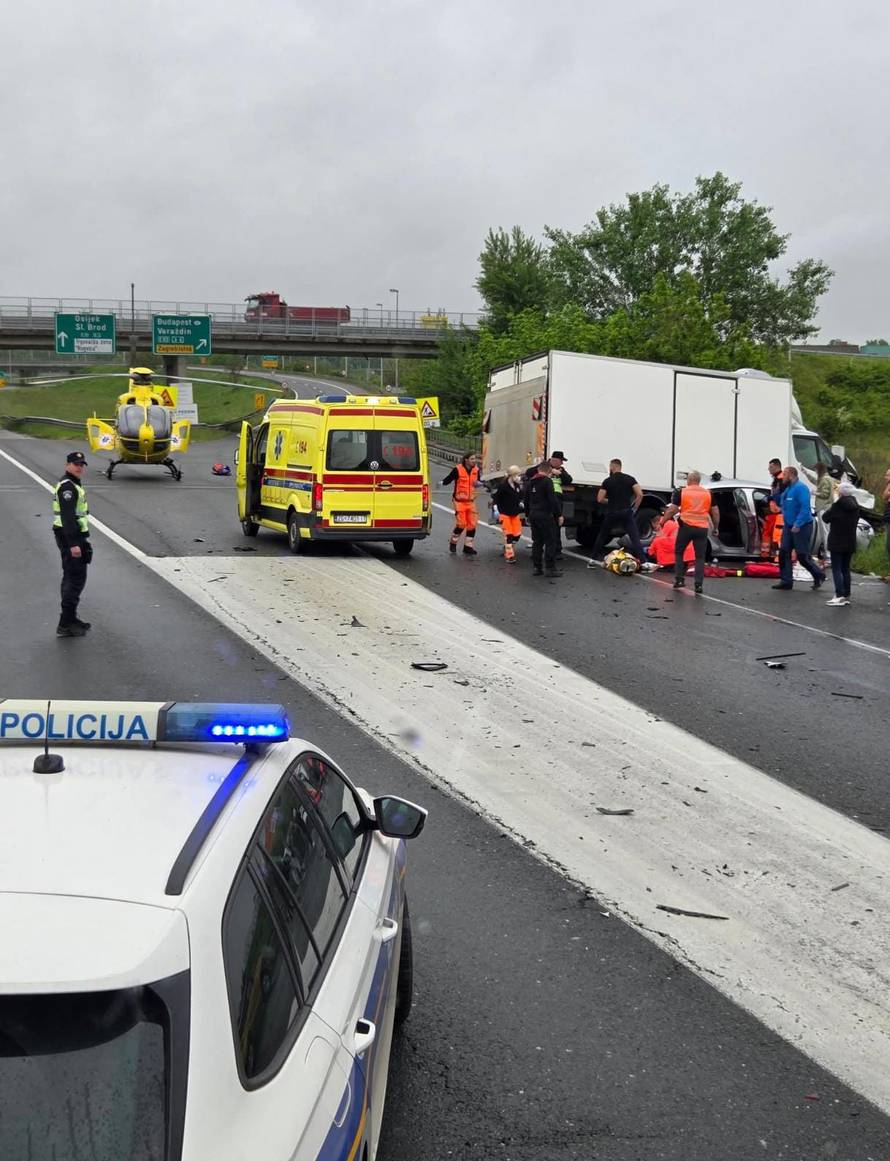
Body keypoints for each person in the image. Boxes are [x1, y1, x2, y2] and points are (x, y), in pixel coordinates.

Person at [53, 451, 92, 637]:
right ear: (67, 464)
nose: (79, 467)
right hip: (70, 536)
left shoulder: (73, 484)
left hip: (71, 535)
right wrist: (74, 544)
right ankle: (65, 623)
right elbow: (68, 518)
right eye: (76, 464)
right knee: (75, 579)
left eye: (82, 464)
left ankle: (70, 618)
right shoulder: (68, 487)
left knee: (71, 576)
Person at [773, 466, 826, 591]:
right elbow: (781, 504)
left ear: (791, 475)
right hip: (788, 526)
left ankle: (819, 575)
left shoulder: (801, 489)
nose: (782, 477)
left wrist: (798, 524)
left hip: (801, 526)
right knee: (783, 552)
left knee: (802, 556)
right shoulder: (788, 489)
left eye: (784, 475)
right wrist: (775, 493)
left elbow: (805, 508)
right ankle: (786, 581)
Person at [665, 471, 719, 594]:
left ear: (689, 480)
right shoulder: (708, 493)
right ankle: (698, 585)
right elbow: (715, 512)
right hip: (702, 529)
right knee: (700, 557)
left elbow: (672, 509)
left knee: (679, 552)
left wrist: (663, 521)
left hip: (686, 527)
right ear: (699, 481)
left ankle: (679, 580)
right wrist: (716, 527)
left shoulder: (682, 492)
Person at [590, 458, 645, 563]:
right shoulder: (630, 479)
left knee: (602, 535)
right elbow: (640, 494)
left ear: (612, 467)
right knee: (634, 537)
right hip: (626, 512)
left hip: (612, 512)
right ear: (620, 466)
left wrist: (610, 501)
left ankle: (592, 559)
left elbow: (600, 499)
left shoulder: (607, 481)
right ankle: (644, 562)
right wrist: (634, 508)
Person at [525, 452, 572, 556]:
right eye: (561, 461)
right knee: (542, 528)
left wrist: (560, 473)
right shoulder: (544, 467)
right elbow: (529, 472)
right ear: (554, 460)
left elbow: (569, 480)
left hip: (557, 496)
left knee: (556, 526)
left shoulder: (561, 470)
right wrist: (550, 470)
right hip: (543, 496)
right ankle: (540, 552)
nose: (562, 463)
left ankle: (557, 550)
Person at [822, 482, 860, 606]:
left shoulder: (837, 505)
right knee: (845, 568)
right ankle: (846, 593)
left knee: (837, 568)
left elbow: (825, 518)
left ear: (841, 492)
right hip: (850, 540)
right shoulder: (856, 505)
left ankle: (839, 594)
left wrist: (832, 506)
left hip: (837, 540)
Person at [526, 463, 563, 577]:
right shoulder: (547, 481)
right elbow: (552, 499)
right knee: (550, 541)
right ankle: (550, 568)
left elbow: (526, 499)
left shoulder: (531, 482)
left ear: (538, 470)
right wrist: (558, 515)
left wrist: (528, 514)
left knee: (537, 542)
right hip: (545, 515)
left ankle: (537, 567)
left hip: (533, 514)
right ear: (548, 471)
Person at [442, 452, 480, 555]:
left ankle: (468, 547)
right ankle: (453, 543)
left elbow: (477, 482)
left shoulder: (476, 470)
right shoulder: (458, 469)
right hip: (459, 501)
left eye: (475, 459)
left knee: (472, 524)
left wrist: (481, 484)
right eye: (472, 459)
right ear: (466, 460)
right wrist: (442, 482)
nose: (474, 461)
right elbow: (448, 479)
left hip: (471, 501)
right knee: (461, 524)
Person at [493, 466, 525, 563]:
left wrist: (520, 502)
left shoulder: (516, 486)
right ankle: (509, 556)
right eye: (518, 475)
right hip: (505, 513)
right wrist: (496, 509)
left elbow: (519, 496)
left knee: (517, 534)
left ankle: (508, 546)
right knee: (509, 534)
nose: (519, 477)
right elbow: (497, 498)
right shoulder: (503, 486)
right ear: (512, 475)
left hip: (514, 513)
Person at [760, 458, 786, 557]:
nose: (769, 469)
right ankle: (766, 554)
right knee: (768, 533)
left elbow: (780, 495)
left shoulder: (781, 478)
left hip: (778, 513)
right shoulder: (777, 478)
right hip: (773, 512)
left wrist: (770, 498)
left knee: (777, 537)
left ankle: (776, 556)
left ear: (776, 466)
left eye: (771, 467)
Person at [813, 461, 834, 561]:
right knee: (827, 532)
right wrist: (805, 472)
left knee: (825, 532)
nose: (815, 472)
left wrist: (815, 493)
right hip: (827, 508)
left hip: (823, 508)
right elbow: (815, 481)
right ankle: (828, 554)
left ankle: (828, 555)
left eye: (816, 470)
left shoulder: (824, 480)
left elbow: (825, 494)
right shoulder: (827, 478)